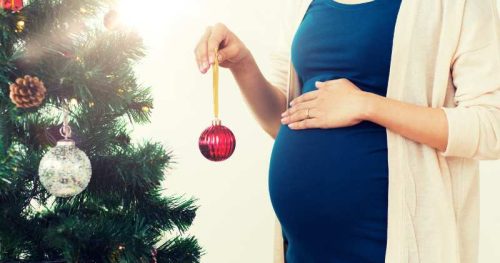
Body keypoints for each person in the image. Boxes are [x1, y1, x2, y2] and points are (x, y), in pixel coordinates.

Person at [193, 0, 500, 262]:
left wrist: (366, 105)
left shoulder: (456, 6)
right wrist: (243, 64)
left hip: (387, 243)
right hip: (306, 247)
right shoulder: (302, 5)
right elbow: (286, 119)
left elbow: (491, 127)